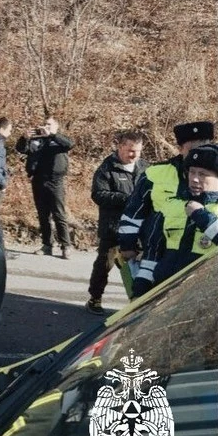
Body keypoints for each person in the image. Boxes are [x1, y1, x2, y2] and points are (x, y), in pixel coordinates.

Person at [118, 120, 215, 287]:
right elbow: (134, 212)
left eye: (204, 147)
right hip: (157, 252)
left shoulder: (214, 174)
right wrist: (128, 245)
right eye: (192, 149)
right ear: (180, 149)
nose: (199, 153)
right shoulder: (156, 173)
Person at [131, 143, 218, 297]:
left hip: (201, 298)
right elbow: (154, 249)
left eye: (203, 174)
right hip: (164, 292)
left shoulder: (206, 212)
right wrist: (143, 279)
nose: (195, 179)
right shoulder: (172, 205)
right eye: (192, 172)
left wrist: (202, 217)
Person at [85, 131, 146, 315]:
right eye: (130, 151)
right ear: (120, 147)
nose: (134, 155)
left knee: (139, 266)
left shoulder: (144, 167)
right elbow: (98, 194)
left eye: (137, 151)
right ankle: (95, 298)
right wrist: (126, 199)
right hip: (113, 227)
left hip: (139, 227)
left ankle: (138, 301)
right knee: (104, 265)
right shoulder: (107, 168)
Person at [16, 116, 74, 258]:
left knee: (59, 213)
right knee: (43, 215)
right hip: (38, 179)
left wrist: (52, 135)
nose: (45, 127)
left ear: (56, 127)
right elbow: (21, 149)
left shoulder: (59, 140)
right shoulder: (37, 140)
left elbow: (70, 144)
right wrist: (24, 138)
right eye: (44, 124)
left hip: (55, 181)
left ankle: (66, 245)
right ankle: (47, 245)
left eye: (49, 124)